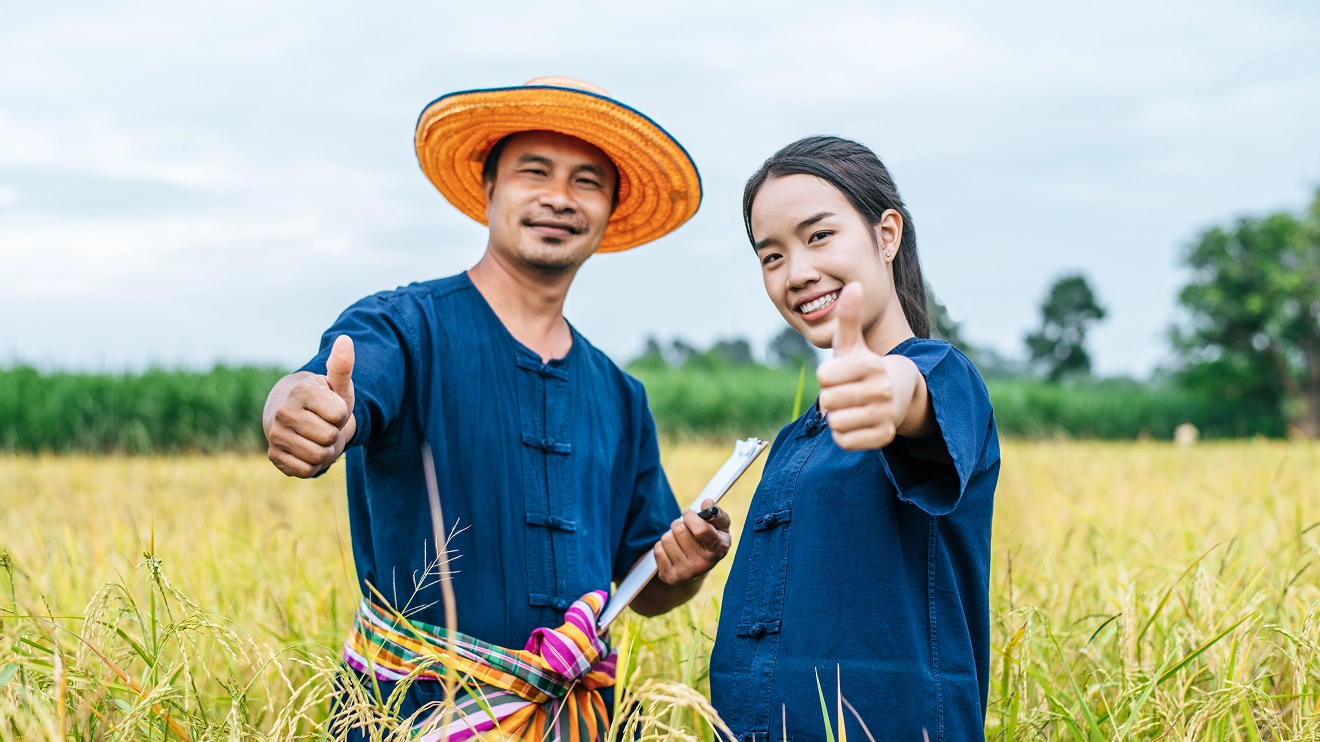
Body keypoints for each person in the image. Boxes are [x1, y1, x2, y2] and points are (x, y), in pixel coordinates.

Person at [261, 77, 731, 740]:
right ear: (488, 189)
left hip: (576, 722)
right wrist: (294, 407)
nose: (559, 199)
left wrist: (683, 569)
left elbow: (647, 585)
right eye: (533, 171)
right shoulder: (406, 327)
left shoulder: (621, 397)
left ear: (609, 207)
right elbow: (320, 391)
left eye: (587, 181)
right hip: (410, 716)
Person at [708, 136, 999, 741]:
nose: (799, 272)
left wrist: (890, 389)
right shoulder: (793, 439)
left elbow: (911, 395)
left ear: (886, 235)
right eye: (772, 256)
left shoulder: (944, 375)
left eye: (819, 236)